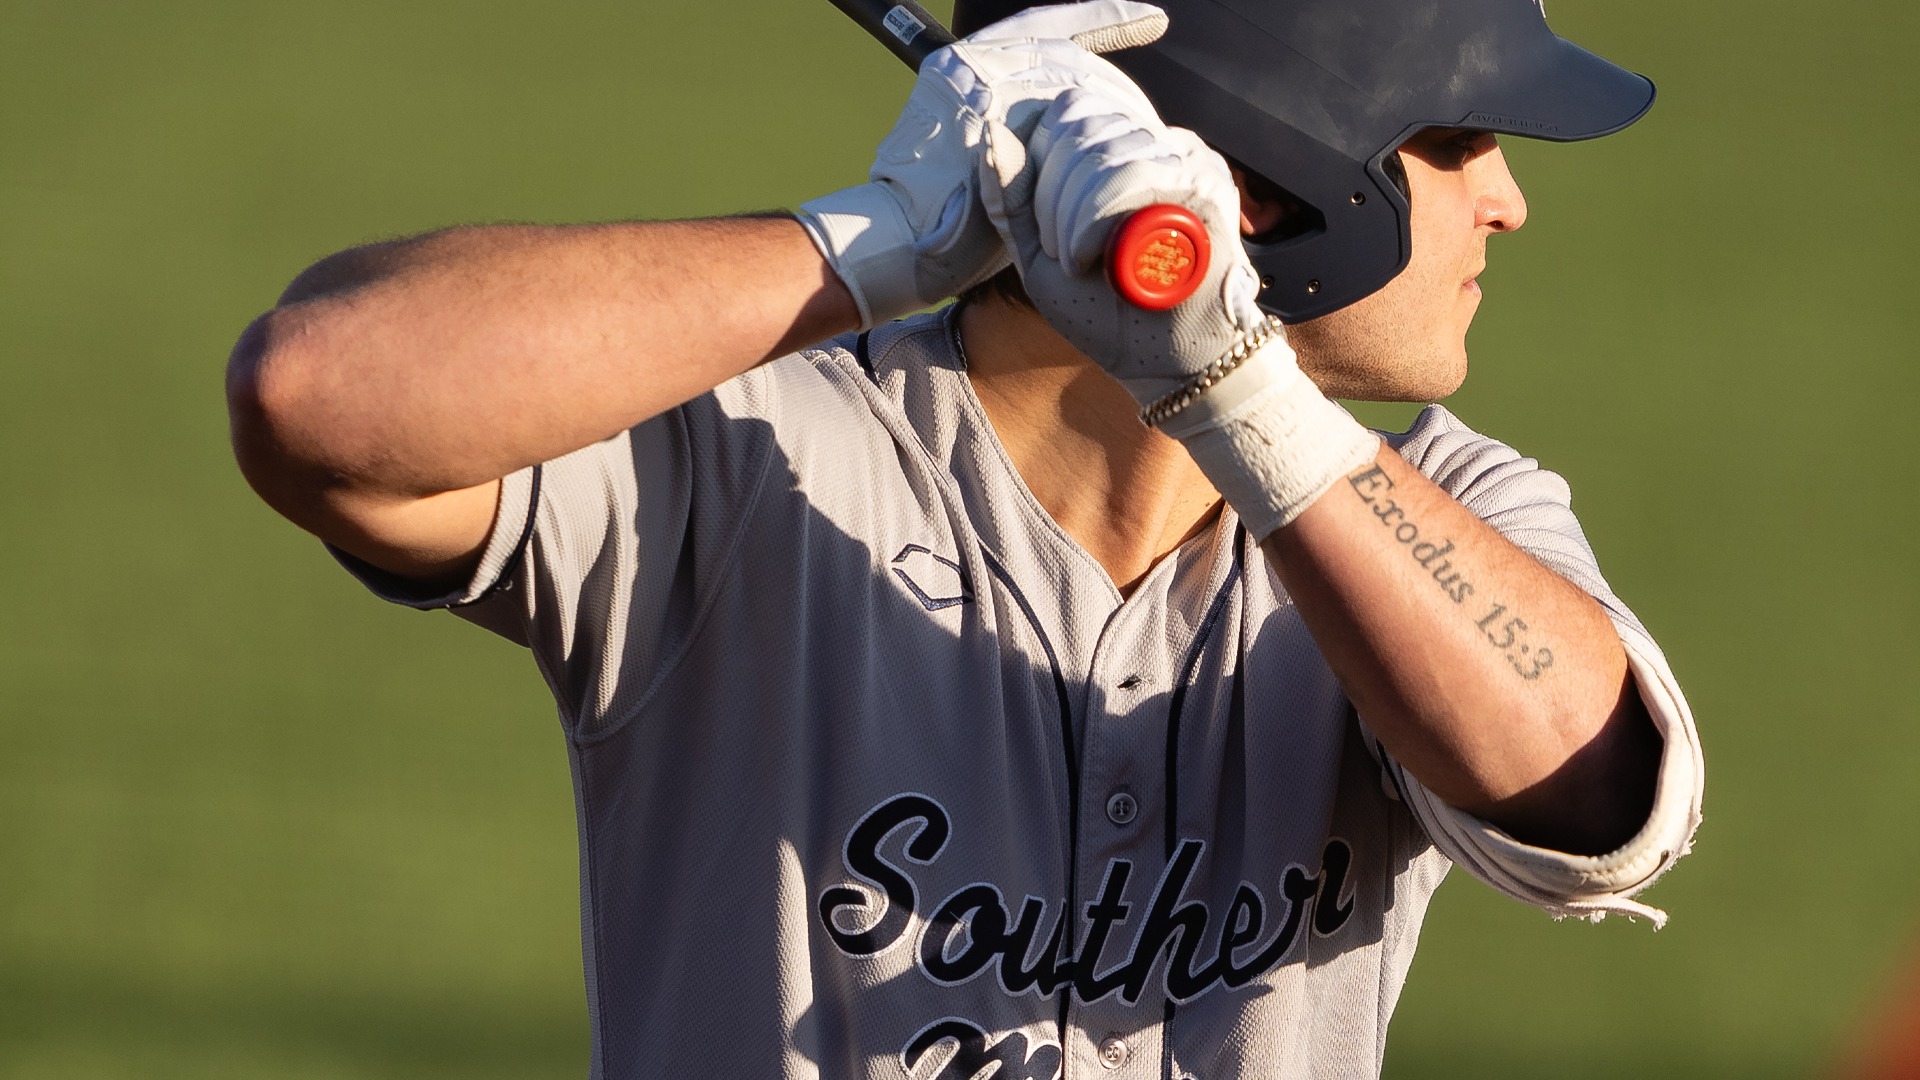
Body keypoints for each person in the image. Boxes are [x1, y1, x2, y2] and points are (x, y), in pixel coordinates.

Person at [225, 0, 1704, 1076]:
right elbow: (317, 395)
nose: (1506, 201)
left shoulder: (1444, 514)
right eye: (1458, 140)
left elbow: (1591, 797)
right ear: (1277, 177)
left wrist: (1236, 393)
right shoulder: (748, 460)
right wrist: (873, 239)